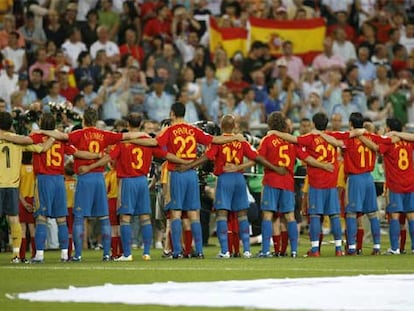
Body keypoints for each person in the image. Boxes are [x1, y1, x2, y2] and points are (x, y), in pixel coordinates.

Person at [133, 103, 246, 259]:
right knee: (193, 214)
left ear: (172, 113)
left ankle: (177, 251)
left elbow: (155, 144)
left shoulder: (170, 130)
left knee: (176, 213)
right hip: (192, 173)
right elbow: (213, 140)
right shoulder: (193, 130)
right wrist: (235, 137)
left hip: (177, 172)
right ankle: (199, 251)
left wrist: (135, 140)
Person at [38, 107, 149, 261]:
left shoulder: (78, 134)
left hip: (84, 177)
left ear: (83, 120)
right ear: (96, 120)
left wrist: (43, 132)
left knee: (79, 218)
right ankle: (106, 254)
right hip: (99, 179)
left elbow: (61, 136)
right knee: (104, 218)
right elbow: (126, 135)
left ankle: (77, 255)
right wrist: (144, 134)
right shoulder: (104, 134)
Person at [78, 112, 190, 261]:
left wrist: (90, 166)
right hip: (142, 182)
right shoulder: (148, 141)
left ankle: (127, 254)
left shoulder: (123, 142)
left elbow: (108, 158)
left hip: (127, 181)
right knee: (144, 218)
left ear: (127, 125)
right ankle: (146, 253)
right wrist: (185, 162)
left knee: (125, 218)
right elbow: (166, 155)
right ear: (141, 124)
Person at [177, 114, 286, 258]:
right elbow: (257, 157)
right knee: (242, 214)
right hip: (239, 179)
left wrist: (189, 165)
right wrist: (242, 166)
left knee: (222, 214)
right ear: (234, 126)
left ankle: (224, 251)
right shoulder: (241, 141)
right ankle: (246, 250)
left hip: (224, 178)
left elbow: (206, 158)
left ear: (221, 127)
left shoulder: (219, 142)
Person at [273, 113, 352, 257]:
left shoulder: (310, 138)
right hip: (332, 182)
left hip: (316, 182)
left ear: (314, 124)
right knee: (334, 215)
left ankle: (315, 249)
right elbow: (350, 135)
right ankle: (339, 249)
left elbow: (292, 138)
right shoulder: (331, 136)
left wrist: (274, 132)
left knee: (315, 215)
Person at [258, 112, 335, 258]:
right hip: (288, 182)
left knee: (268, 216)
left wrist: (273, 167)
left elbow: (258, 157)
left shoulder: (268, 139)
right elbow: (307, 158)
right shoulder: (292, 142)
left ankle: (266, 251)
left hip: (271, 180)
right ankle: (293, 251)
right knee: (290, 217)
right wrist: (323, 165)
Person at [29, 113, 102, 263]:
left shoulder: (37, 137)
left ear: (41, 123)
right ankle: (64, 254)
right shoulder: (60, 140)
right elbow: (78, 153)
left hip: (44, 179)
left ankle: (39, 255)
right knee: (62, 219)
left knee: (41, 218)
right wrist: (96, 155)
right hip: (59, 180)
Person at [323, 112, 393, 255]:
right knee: (372, 214)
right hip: (369, 178)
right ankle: (377, 247)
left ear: (350, 124)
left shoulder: (349, 139)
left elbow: (331, 136)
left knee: (351, 214)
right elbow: (386, 141)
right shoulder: (371, 137)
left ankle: (352, 247)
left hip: (356, 178)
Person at [0, 111, 53, 263]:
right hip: (11, 185)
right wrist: (54, 136)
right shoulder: (18, 142)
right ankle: (16, 255)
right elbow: (42, 148)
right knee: (14, 220)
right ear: (11, 125)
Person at [360, 118, 414, 254]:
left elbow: (376, 148)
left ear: (389, 128)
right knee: (411, 216)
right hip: (410, 182)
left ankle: (394, 248)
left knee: (395, 216)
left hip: (395, 183)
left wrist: (361, 137)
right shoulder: (408, 141)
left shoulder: (389, 143)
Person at [18, 152, 36, 263]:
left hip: (22, 200)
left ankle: (22, 256)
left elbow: (17, 187)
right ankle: (35, 255)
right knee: (32, 229)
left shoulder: (19, 169)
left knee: (22, 229)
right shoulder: (35, 169)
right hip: (32, 199)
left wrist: (24, 203)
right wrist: (34, 202)